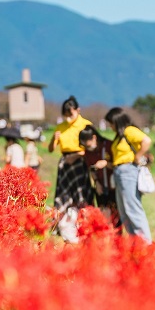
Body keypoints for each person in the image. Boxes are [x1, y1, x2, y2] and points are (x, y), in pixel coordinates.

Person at [48, 96, 95, 243]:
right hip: (65, 164)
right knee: (63, 196)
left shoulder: (86, 125)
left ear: (78, 110)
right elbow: (51, 149)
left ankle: (86, 226)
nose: (68, 117)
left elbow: (91, 148)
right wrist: (53, 139)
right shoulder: (60, 127)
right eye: (65, 114)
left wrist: (76, 156)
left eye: (71, 114)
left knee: (81, 197)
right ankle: (63, 229)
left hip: (80, 163)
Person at [105, 107, 153, 243]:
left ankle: (145, 243)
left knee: (132, 208)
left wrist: (138, 156)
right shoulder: (119, 135)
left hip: (128, 171)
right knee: (124, 210)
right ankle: (135, 241)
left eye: (111, 123)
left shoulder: (129, 131)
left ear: (117, 121)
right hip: (119, 172)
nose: (110, 126)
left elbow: (146, 141)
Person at [79, 125, 120, 231]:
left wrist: (106, 163)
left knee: (116, 217)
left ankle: (118, 242)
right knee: (104, 217)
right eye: (85, 146)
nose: (88, 148)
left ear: (94, 137)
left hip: (114, 187)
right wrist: (96, 182)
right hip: (101, 187)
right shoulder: (88, 152)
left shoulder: (109, 145)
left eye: (88, 145)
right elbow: (91, 169)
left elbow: (119, 165)